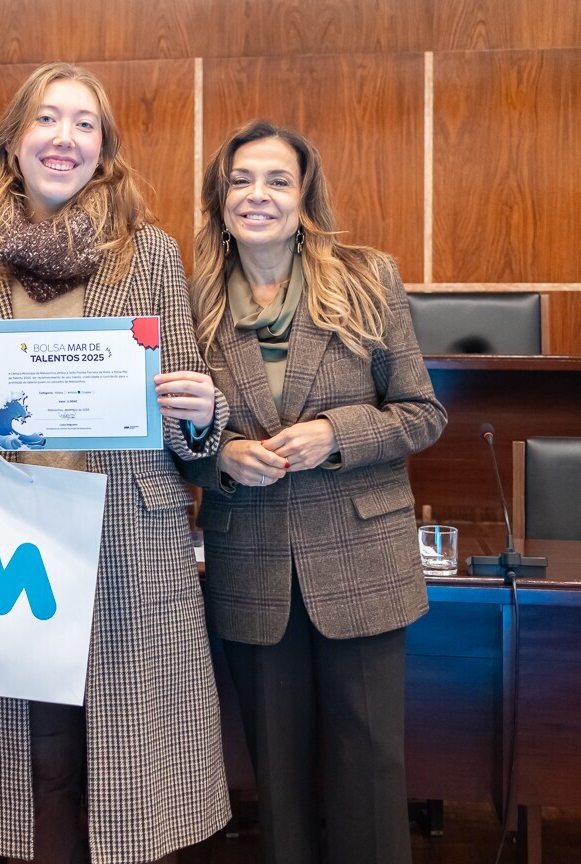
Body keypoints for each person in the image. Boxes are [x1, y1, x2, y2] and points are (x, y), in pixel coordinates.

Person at [0, 62, 231, 864]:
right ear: (13, 143)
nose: (65, 138)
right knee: (32, 764)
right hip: (9, 546)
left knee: (126, 766)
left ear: (103, 148)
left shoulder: (149, 255)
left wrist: (203, 411)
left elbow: (192, 421)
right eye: (47, 120)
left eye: (84, 124)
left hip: (129, 538)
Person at [181, 119, 447, 864]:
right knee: (280, 787)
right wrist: (220, 456)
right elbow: (168, 441)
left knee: (370, 777)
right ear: (220, 198)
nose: (257, 195)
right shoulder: (191, 300)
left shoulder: (367, 279)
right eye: (241, 180)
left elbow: (423, 413)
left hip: (362, 561)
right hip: (251, 565)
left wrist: (335, 434)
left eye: (278, 180)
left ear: (305, 198)